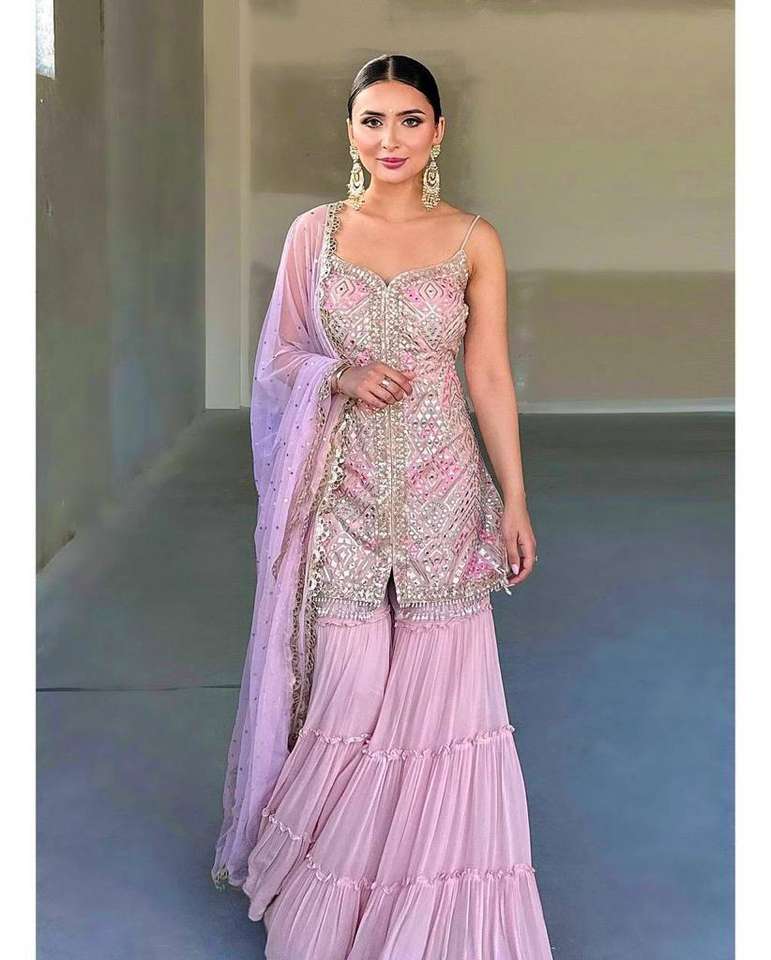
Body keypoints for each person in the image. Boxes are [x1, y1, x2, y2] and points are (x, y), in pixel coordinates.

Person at [211, 53, 554, 959]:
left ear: (437, 131)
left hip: (444, 488)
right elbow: (278, 357)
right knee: (350, 691)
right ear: (350, 132)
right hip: (343, 494)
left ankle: (428, 907)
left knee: (442, 704)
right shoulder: (315, 235)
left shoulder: (472, 239)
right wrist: (341, 372)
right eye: (372, 119)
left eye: (408, 120)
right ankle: (332, 898)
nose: (389, 138)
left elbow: (488, 373)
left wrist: (514, 498)